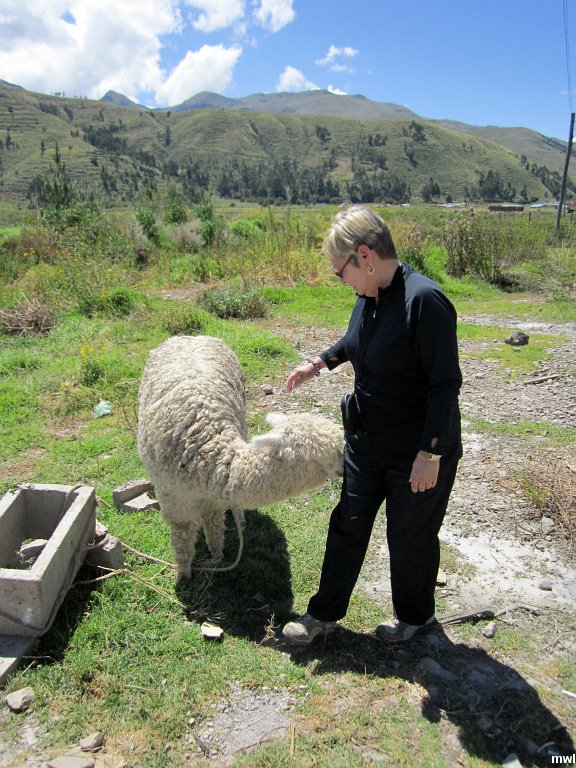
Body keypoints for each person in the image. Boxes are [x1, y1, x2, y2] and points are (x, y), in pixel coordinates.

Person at [282, 204, 462, 645]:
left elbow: (445, 385)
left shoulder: (425, 301)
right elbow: (355, 341)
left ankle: (416, 619)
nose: (340, 279)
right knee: (348, 522)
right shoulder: (369, 298)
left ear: (364, 256)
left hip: (416, 450)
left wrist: (430, 454)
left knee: (410, 537)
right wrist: (318, 363)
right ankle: (322, 614)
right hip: (367, 440)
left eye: (339, 270)